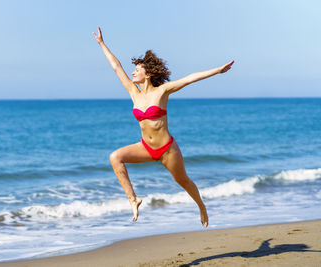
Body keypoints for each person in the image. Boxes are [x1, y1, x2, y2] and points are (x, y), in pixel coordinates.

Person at [93, 26, 234, 226]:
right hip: (146, 147)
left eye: (137, 69)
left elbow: (189, 78)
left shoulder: (162, 91)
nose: (133, 72)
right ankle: (133, 199)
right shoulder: (134, 93)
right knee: (115, 157)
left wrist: (218, 70)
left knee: (183, 181)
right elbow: (116, 67)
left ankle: (201, 206)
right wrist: (101, 44)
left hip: (167, 150)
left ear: (148, 74)